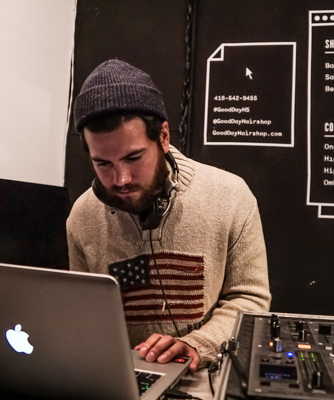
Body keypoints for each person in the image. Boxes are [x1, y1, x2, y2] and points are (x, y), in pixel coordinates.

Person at [67, 59, 271, 372]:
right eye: (103, 164)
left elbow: (250, 300)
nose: (121, 179)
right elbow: (85, 316)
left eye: (134, 157)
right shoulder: (82, 218)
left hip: (205, 376)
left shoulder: (231, 196)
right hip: (124, 379)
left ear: (163, 136)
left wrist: (198, 344)